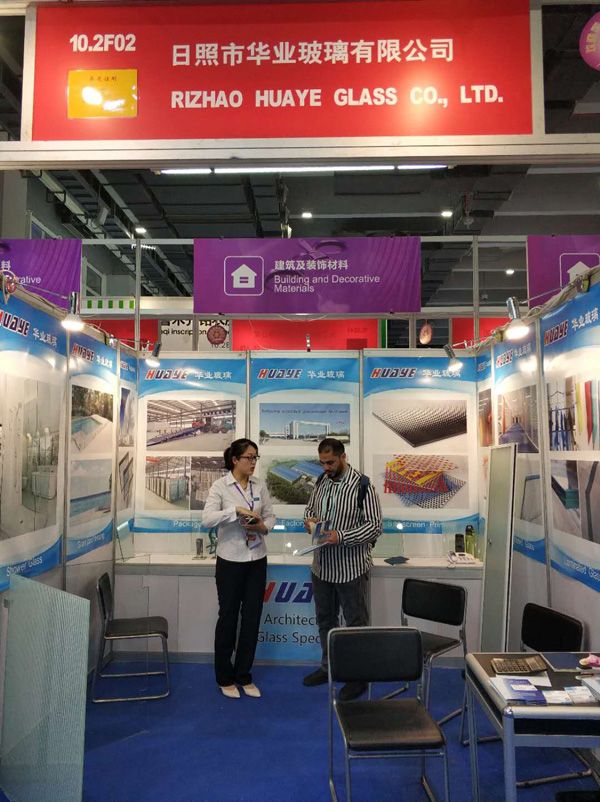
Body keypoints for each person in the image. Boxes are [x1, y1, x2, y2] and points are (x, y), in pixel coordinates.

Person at [302, 437, 382, 701]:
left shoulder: (362, 486)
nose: (326, 467)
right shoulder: (321, 481)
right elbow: (309, 511)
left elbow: (374, 527)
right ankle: (329, 667)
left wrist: (341, 536)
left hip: (351, 570)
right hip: (321, 567)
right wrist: (310, 522)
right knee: (325, 620)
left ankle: (357, 677)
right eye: (322, 463)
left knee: (355, 624)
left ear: (343, 457)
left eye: (330, 462)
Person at [202, 438, 275, 699]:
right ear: (235, 460)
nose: (253, 462)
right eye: (249, 457)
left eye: (256, 457)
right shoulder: (220, 486)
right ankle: (225, 677)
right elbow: (207, 519)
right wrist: (235, 511)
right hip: (230, 561)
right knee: (229, 617)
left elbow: (270, 515)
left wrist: (263, 526)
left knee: (252, 618)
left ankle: (244, 675)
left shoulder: (259, 485)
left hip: (256, 558)